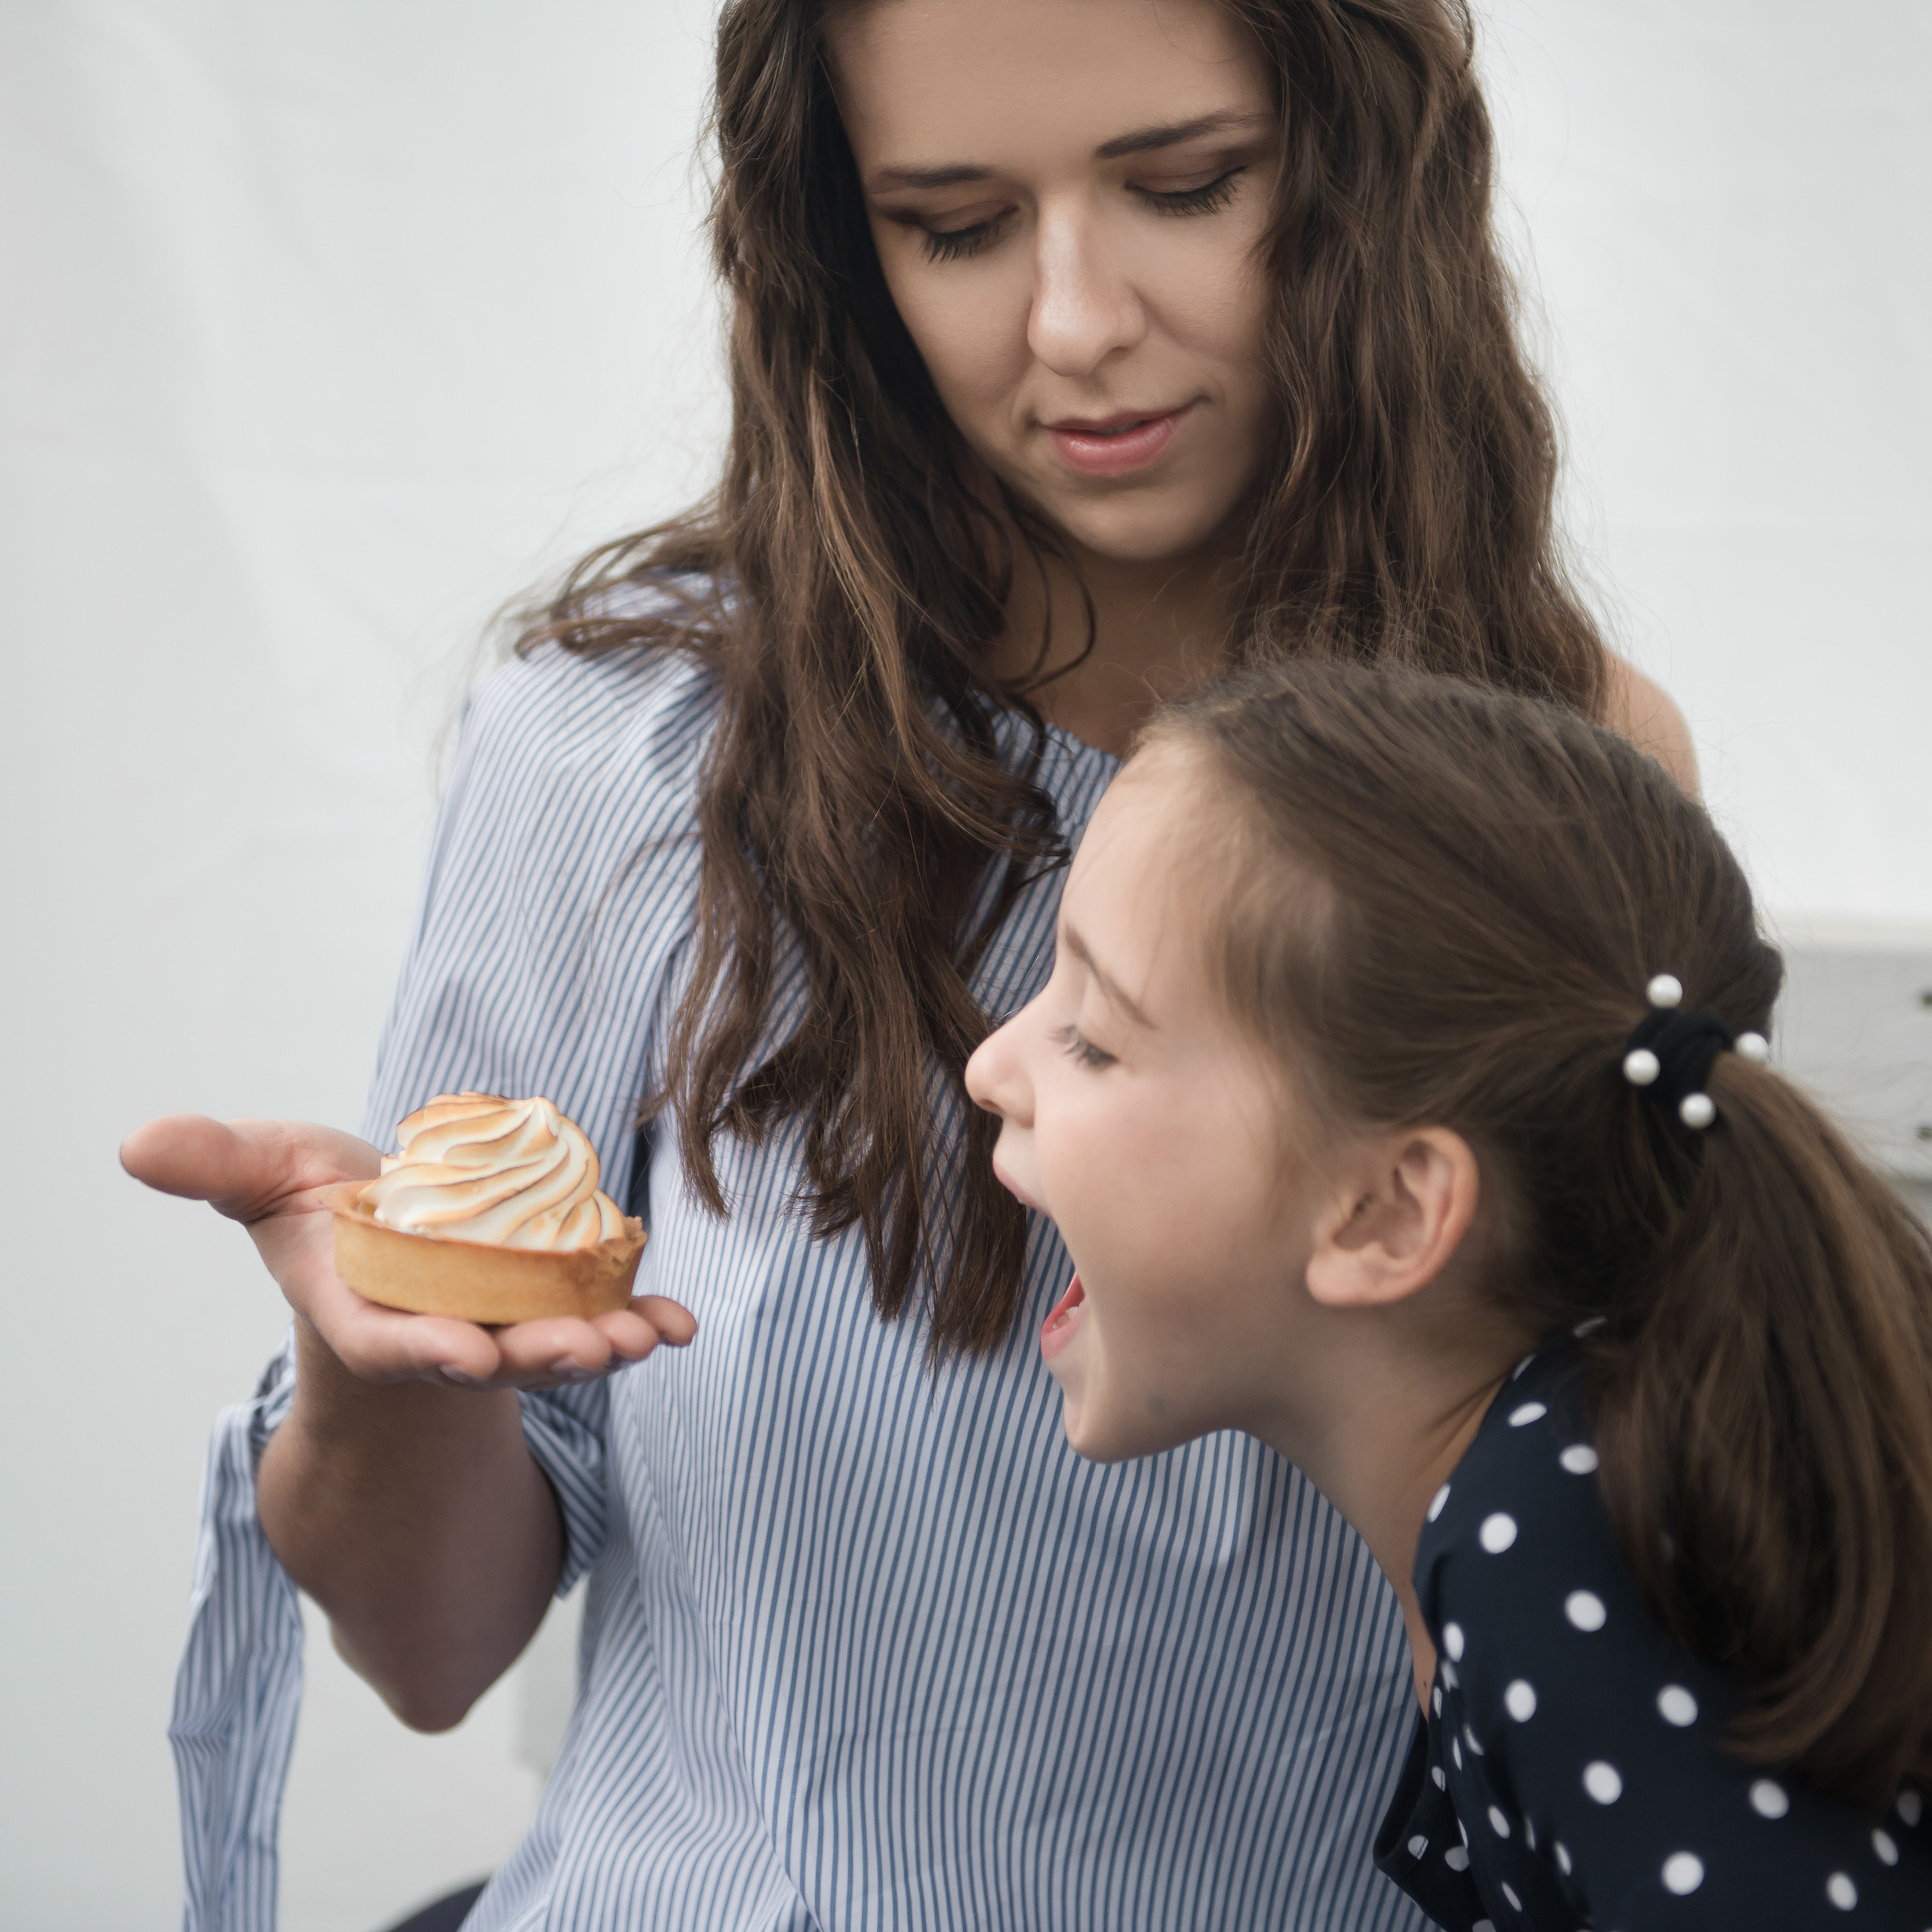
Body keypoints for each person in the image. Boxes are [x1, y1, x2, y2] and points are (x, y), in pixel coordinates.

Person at [123, 1, 1694, 1927]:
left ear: (1363, 172)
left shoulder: (1561, 769)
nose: (1070, 324)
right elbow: (432, 1654)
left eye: (1184, 188)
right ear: (839, 254)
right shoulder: (625, 752)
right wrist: (381, 1373)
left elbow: (1601, 1555)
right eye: (951, 225)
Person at [965, 661, 1932, 1928]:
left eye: (1094, 1036)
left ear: (1388, 1213)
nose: (992, 1067)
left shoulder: (1558, 1538)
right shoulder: (1571, 1486)